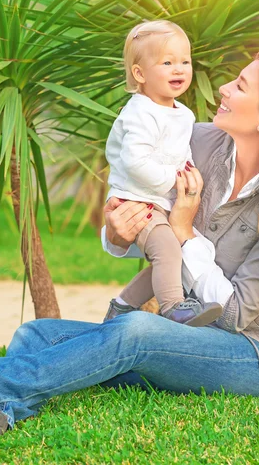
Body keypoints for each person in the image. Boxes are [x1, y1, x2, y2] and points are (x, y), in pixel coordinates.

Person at [0, 50, 259, 440]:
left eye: (240, 86)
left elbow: (234, 316)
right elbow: (140, 207)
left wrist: (184, 231)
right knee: (36, 335)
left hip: (252, 356)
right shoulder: (197, 142)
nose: (223, 90)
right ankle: (3, 411)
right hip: (179, 342)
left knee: (136, 331)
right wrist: (118, 232)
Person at [103, 20, 222, 326]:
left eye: (185, 61)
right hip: (137, 202)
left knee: (172, 259)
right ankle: (174, 307)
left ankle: (122, 307)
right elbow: (134, 162)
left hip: (160, 202)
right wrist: (174, 182)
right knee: (168, 251)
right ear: (139, 74)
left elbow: (181, 152)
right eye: (167, 62)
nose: (179, 69)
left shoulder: (182, 113)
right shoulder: (140, 113)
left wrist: (188, 171)